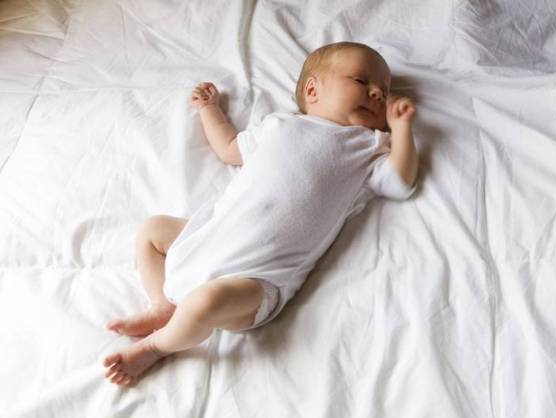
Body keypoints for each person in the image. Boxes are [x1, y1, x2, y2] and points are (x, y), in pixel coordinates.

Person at [102, 42, 418, 386]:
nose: (376, 94)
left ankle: (156, 346)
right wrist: (210, 109)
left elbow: (399, 184)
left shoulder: (368, 146)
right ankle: (161, 305)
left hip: (256, 281)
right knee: (152, 230)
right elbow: (228, 149)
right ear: (313, 90)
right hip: (207, 239)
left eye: (384, 93)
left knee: (205, 302)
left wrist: (401, 130)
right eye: (361, 80)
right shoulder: (278, 125)